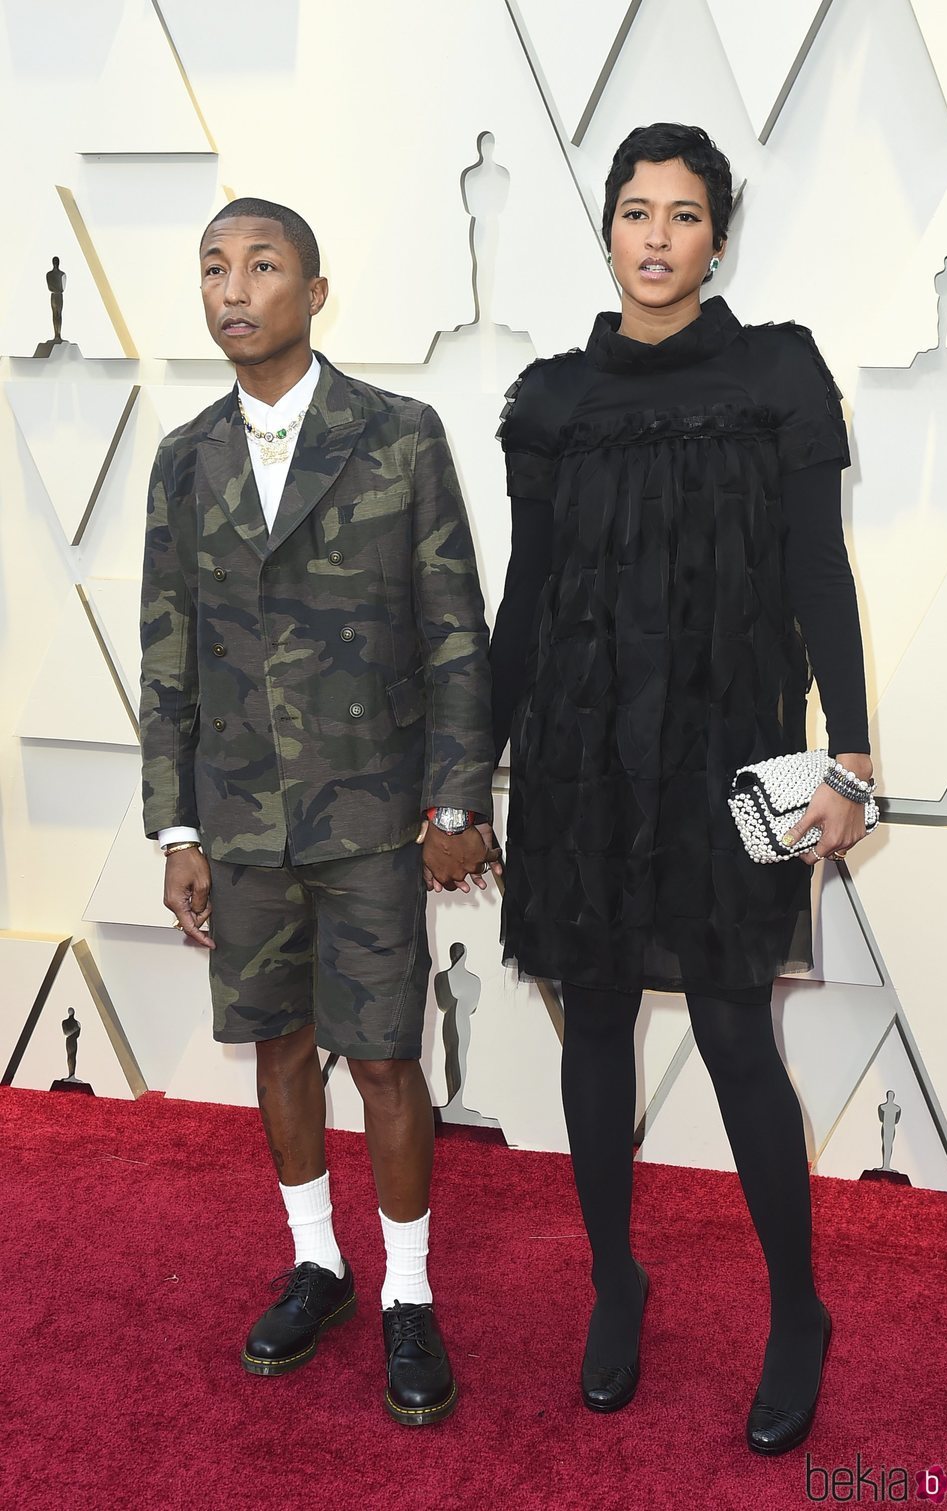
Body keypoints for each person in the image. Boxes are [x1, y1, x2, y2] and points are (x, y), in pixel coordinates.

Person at [490, 125, 874, 1454]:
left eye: (686, 215)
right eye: (636, 212)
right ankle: (616, 1281)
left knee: (730, 1029)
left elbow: (818, 571)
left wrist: (857, 754)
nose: (657, 238)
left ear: (722, 234)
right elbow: (526, 600)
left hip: (725, 755)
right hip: (580, 755)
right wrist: (459, 773)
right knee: (590, 1018)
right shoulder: (550, 402)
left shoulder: (776, 375)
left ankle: (800, 1310)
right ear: (606, 226)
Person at [139, 196, 497, 1425]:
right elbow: (167, 652)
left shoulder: (398, 436)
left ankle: (406, 1290)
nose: (233, 287)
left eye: (262, 264)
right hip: (239, 820)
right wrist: (176, 828)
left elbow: (456, 629)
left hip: (373, 812)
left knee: (388, 1055)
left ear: (315, 288)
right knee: (280, 1045)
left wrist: (459, 793)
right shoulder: (183, 459)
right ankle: (319, 1263)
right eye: (213, 268)